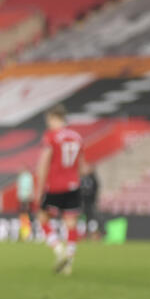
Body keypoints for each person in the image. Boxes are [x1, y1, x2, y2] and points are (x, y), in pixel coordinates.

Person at [35, 104, 85, 275]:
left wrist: (39, 189)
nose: (48, 123)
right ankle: (69, 261)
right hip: (74, 185)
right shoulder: (77, 137)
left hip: (55, 185)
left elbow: (44, 163)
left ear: (54, 118)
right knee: (71, 223)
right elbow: (82, 166)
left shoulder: (52, 137)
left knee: (42, 217)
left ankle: (59, 250)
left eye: (48, 119)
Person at [79, 163, 101, 241]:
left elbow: (95, 190)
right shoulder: (81, 177)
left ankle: (94, 235)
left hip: (89, 202)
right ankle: (81, 235)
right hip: (82, 202)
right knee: (81, 219)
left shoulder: (92, 178)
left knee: (90, 219)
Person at [16, 167, 34, 241]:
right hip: (22, 197)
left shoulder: (28, 176)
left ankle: (27, 233)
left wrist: (30, 195)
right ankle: (24, 232)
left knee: (25, 214)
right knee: (23, 214)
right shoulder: (21, 177)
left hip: (26, 197)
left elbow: (30, 187)